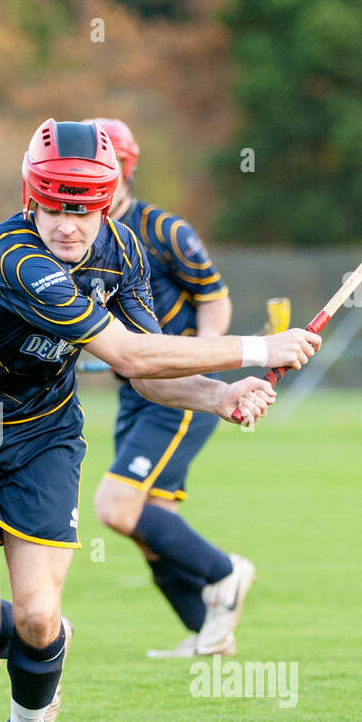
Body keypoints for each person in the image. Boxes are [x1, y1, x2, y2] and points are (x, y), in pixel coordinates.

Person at [0, 119, 319, 722]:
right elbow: (125, 350)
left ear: (106, 201)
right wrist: (258, 348)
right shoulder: (11, 259)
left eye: (84, 209)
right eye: (55, 206)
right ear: (29, 197)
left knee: (38, 615)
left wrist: (220, 396)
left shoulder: (124, 252)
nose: (69, 225)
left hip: (42, 435)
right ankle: (45, 653)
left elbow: (144, 374)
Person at [88, 117, 255, 659]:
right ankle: (209, 633)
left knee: (117, 506)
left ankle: (227, 571)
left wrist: (201, 356)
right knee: (152, 523)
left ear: (124, 169)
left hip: (179, 388)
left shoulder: (163, 230)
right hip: (131, 390)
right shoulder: (77, 236)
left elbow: (215, 296)